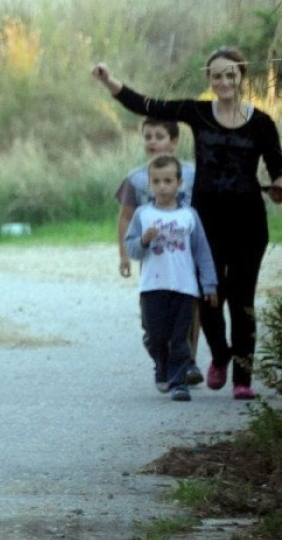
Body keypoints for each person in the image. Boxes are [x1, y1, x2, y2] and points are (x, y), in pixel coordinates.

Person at [93, 48, 282, 400]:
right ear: (209, 79)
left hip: (248, 223)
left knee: (242, 301)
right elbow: (147, 105)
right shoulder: (196, 113)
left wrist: (278, 186)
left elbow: (278, 168)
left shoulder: (262, 123)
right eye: (217, 76)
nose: (224, 82)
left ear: (242, 77)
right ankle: (221, 356)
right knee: (210, 297)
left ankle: (243, 378)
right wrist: (109, 82)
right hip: (206, 222)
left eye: (231, 75)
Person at [115, 118, 202, 388]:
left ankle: (188, 362)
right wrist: (124, 255)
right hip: (155, 258)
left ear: (174, 142)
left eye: (159, 136)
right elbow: (125, 218)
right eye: (148, 136)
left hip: (186, 254)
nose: (152, 141)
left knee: (189, 310)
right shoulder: (137, 178)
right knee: (155, 319)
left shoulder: (193, 174)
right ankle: (159, 350)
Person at [123, 155, 218, 402]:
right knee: (156, 336)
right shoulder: (143, 215)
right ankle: (161, 367)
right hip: (152, 286)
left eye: (168, 180)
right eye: (157, 181)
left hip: (184, 287)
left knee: (179, 338)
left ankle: (178, 383)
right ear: (149, 185)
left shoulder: (189, 216)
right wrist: (144, 240)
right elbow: (132, 248)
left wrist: (209, 284)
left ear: (179, 183)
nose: (162, 186)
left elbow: (202, 252)